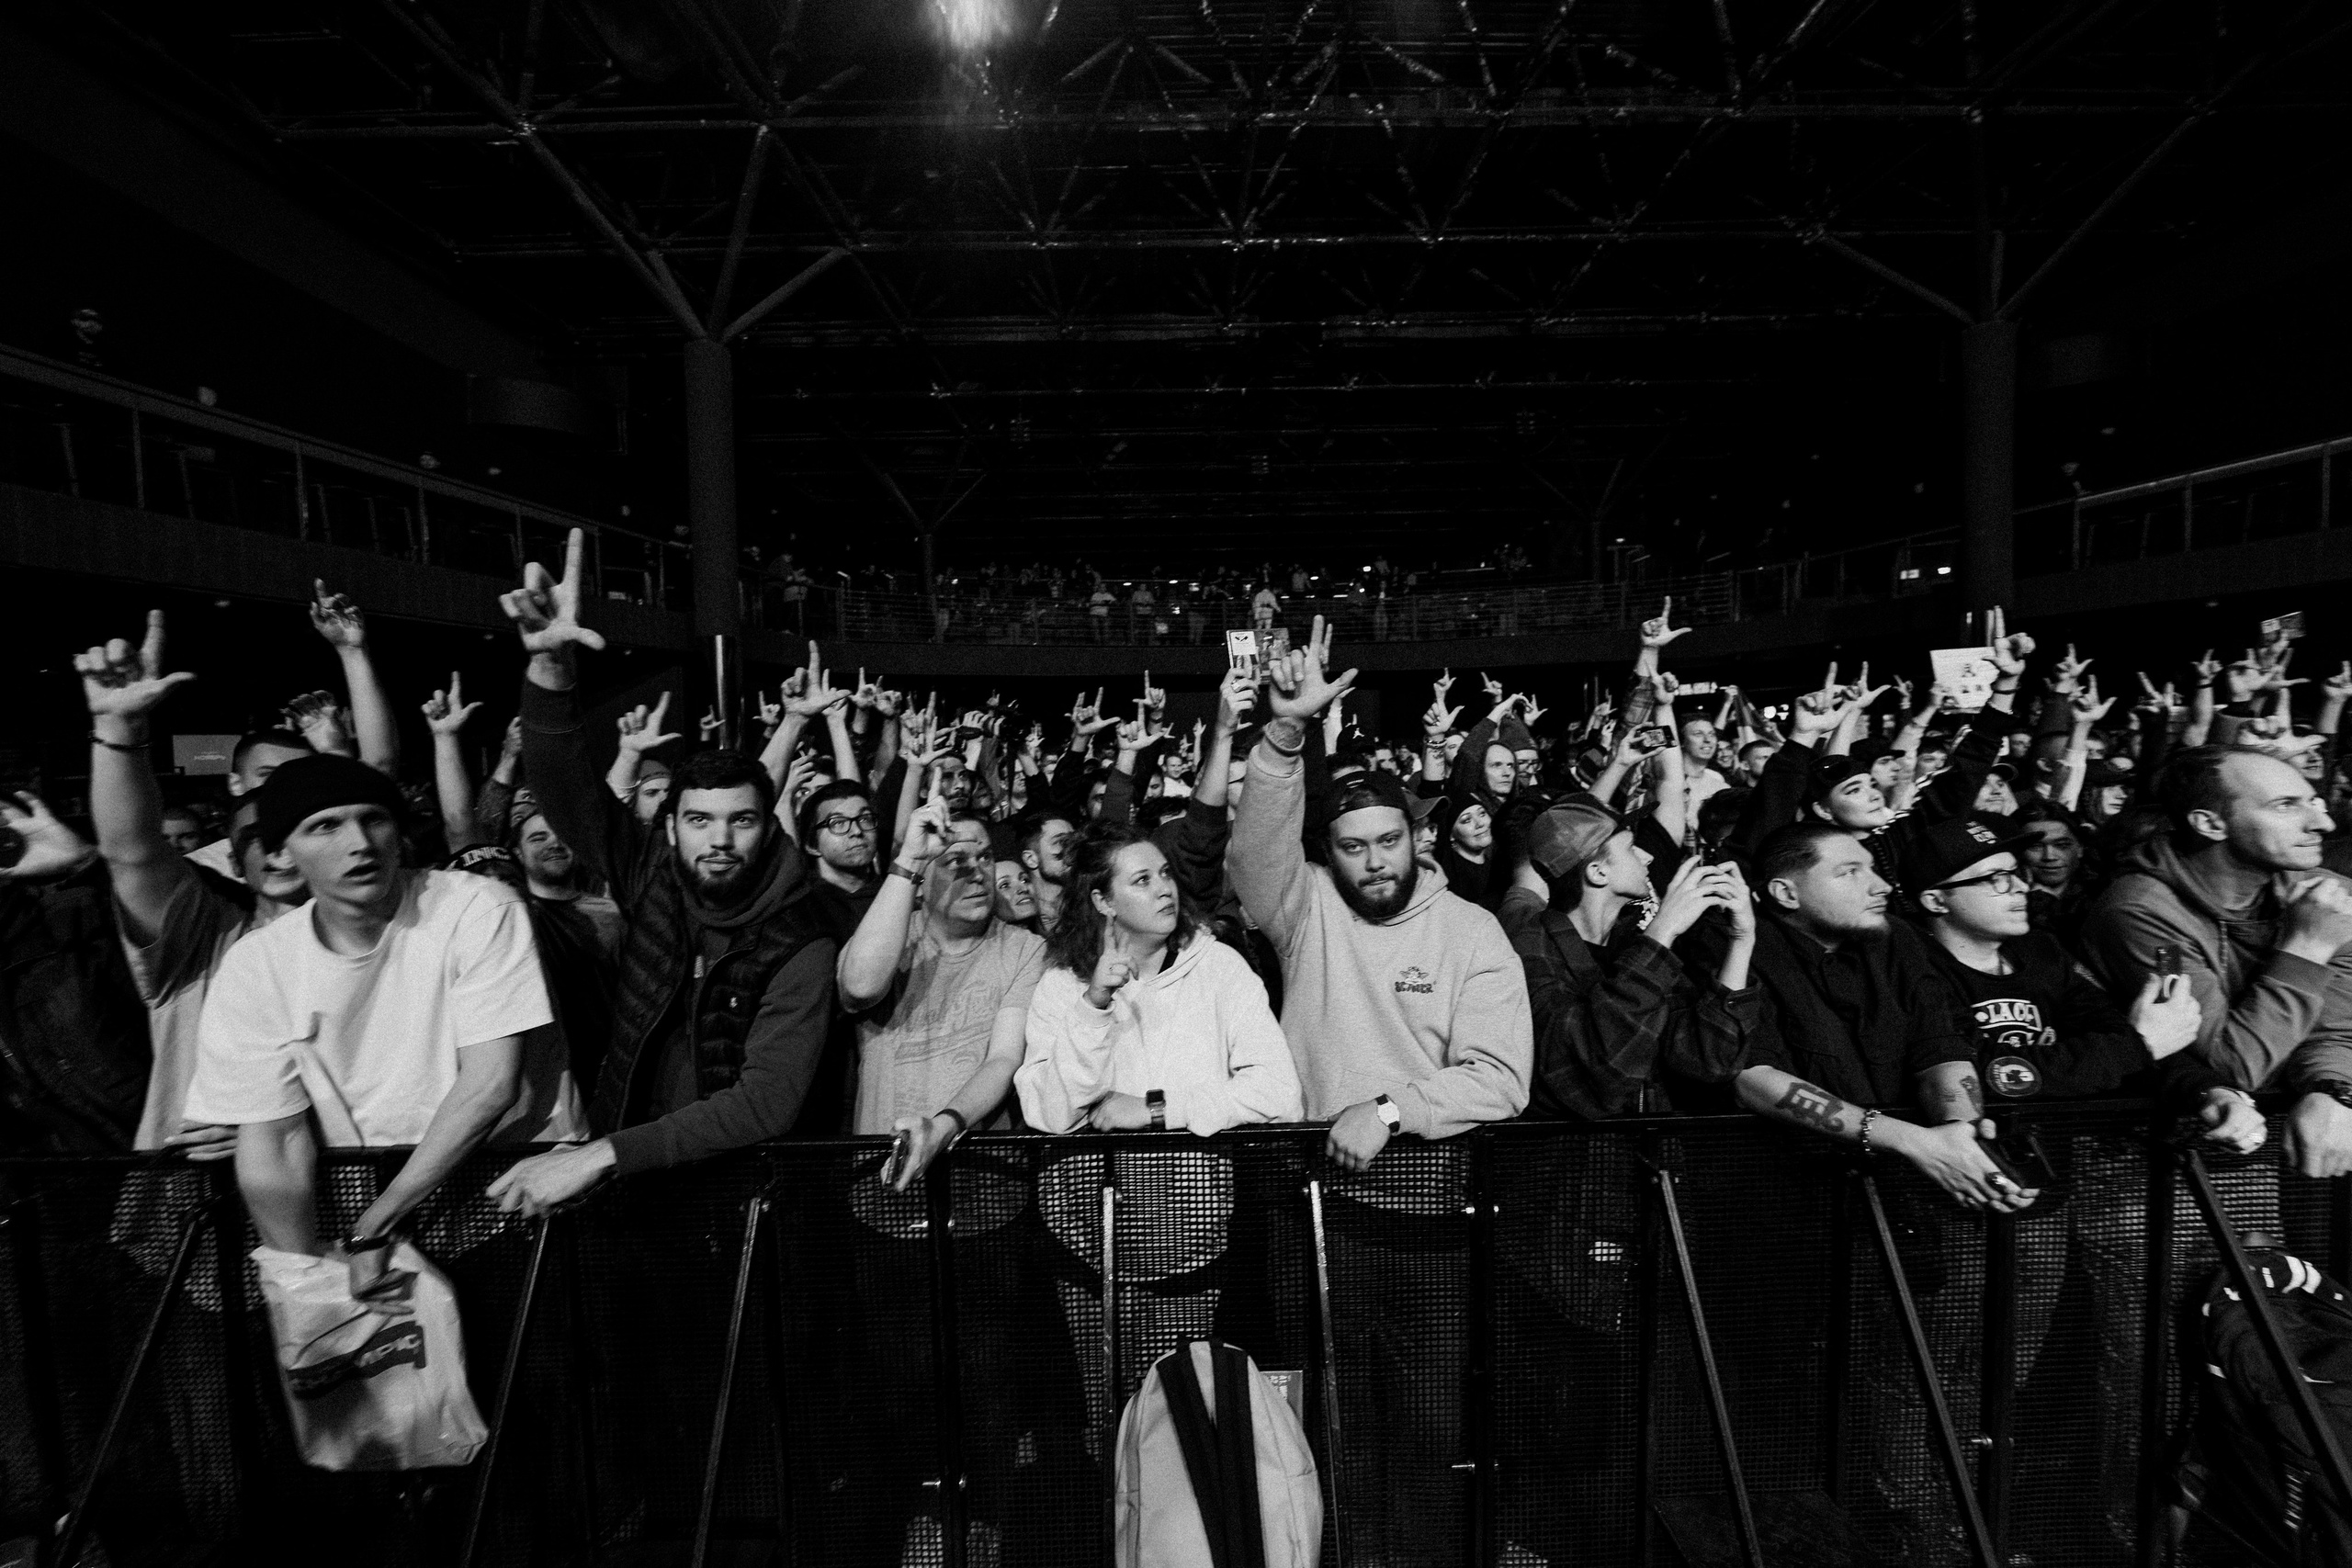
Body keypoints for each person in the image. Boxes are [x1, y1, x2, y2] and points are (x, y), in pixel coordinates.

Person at [1224, 616, 1531, 1568]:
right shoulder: (1305, 904)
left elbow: (1501, 1079)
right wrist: (1280, 737)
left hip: (1430, 1219)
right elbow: (1251, 857)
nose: (1374, 862)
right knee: (1323, 1424)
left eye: (1388, 840)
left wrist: (1390, 1109)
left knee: (1428, 1433)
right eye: (1352, 846)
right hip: (1309, 1212)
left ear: (1417, 835)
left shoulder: (1472, 931)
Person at [484, 532, 840, 1213]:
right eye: (701, 820)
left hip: (741, 1189)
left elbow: (766, 1102)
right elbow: (567, 793)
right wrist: (550, 673)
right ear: (671, 827)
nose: (720, 839)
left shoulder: (802, 934)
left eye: (741, 820)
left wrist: (605, 1153)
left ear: (769, 827)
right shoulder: (651, 870)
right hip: (628, 1169)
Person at [184, 753, 579, 1304]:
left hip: (505, 1203)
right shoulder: (257, 963)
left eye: (374, 819)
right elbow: (274, 1139)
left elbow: (489, 1086)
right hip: (363, 1217)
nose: (360, 842)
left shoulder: (478, 907)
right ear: (280, 852)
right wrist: (308, 1284)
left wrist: (375, 1225)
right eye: (325, 825)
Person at [1016, 824, 1303, 1438]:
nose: (1164, 889)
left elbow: (1279, 1092)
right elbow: (1049, 1112)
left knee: (1177, 1423)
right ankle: (1118, 1531)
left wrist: (1154, 1109)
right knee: (1108, 1420)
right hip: (1088, 1243)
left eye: (1166, 874)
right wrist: (1095, 1004)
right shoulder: (1061, 984)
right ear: (1102, 900)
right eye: (1142, 879)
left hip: (1188, 1240)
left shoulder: (1220, 968)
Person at [78, 610, 311, 1157]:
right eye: (258, 835)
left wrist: (275, 1127)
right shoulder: (205, 934)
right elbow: (131, 852)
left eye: (301, 829)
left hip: (343, 1196)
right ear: (231, 854)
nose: (278, 848)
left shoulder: (381, 937)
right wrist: (120, 731)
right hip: (189, 1206)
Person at [2079, 745, 2352, 1178]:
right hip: (2146, 1159)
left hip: (2264, 1145)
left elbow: (2336, 1024)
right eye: (2286, 806)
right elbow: (2234, 1063)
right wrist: (2307, 948)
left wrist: (2333, 1090)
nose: (2323, 822)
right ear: (2210, 823)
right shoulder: (2140, 912)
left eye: (2313, 801)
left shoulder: (2320, 893)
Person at [1500, 798, 1760, 1119]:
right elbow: (1591, 1075)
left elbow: (1710, 1061)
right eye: (1631, 848)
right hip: (1577, 1164)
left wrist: (1742, 939)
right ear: (1597, 872)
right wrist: (1661, 933)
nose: (1648, 856)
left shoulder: (1630, 944)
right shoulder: (1527, 949)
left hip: (1651, 1159)